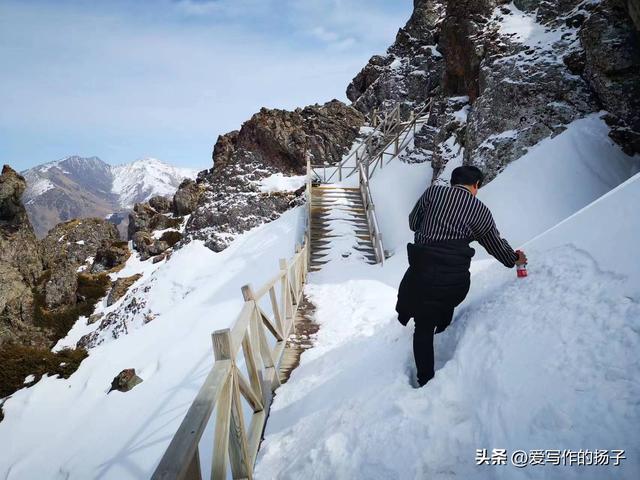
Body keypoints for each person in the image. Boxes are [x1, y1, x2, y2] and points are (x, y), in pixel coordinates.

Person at [395, 165, 527, 387]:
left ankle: (425, 380)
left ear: (452, 182)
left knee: (423, 326)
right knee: (444, 302)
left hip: (422, 274)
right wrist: (514, 259)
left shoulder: (433, 193)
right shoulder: (480, 211)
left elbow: (413, 223)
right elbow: (494, 245)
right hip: (454, 280)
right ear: (476, 186)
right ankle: (444, 331)